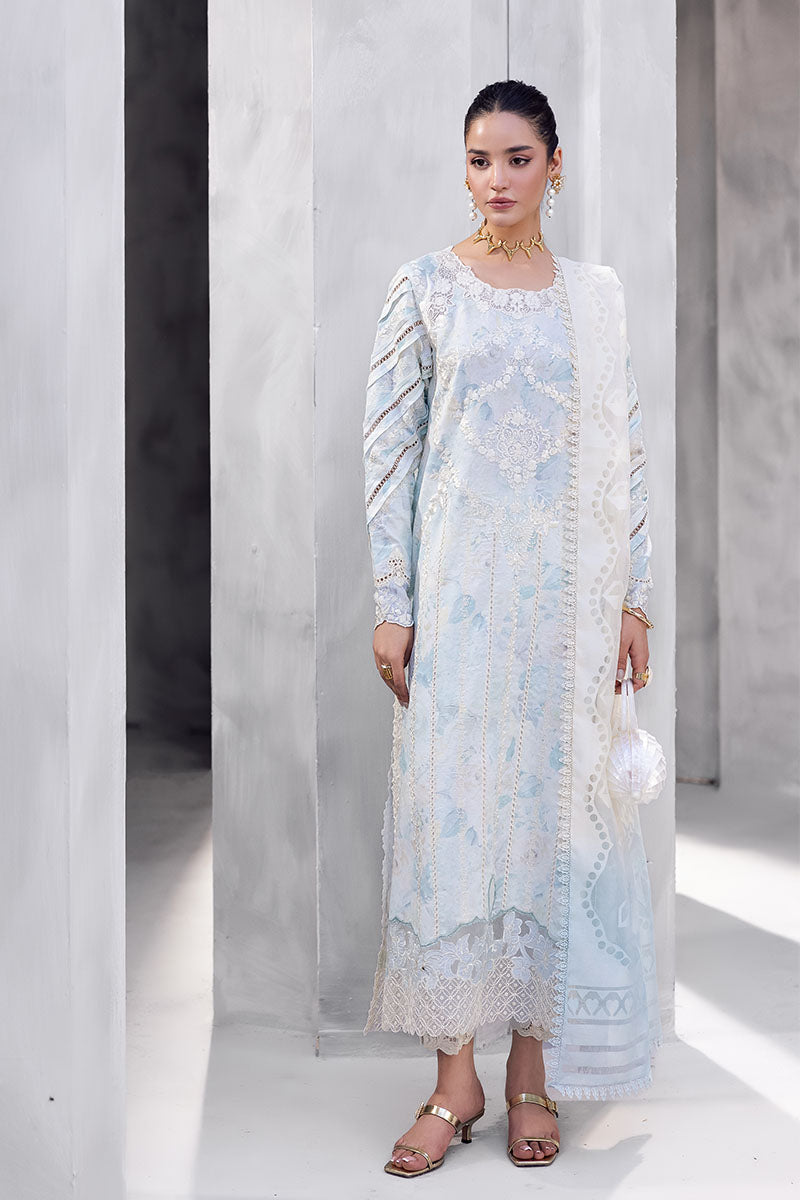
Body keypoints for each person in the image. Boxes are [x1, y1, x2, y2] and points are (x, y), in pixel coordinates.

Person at [361, 79, 662, 1178]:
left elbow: (623, 449)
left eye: (517, 159)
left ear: (554, 165)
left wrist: (633, 596)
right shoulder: (426, 288)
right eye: (479, 159)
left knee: (551, 823)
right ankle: (456, 1081)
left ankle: (532, 1069)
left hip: (566, 610)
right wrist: (393, 605)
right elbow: (389, 453)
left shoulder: (594, 297)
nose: (495, 180)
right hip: (460, 607)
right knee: (454, 828)